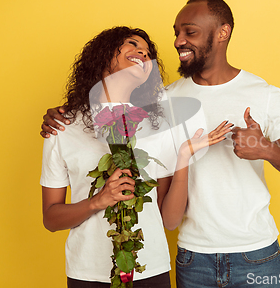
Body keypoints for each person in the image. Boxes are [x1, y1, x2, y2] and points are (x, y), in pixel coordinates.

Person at [42, 0, 280, 288]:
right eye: (176, 32)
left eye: (189, 32)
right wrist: (66, 114)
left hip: (256, 254)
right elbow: (109, 102)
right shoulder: (161, 102)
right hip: (192, 259)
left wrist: (267, 149)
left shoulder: (263, 95)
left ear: (222, 32)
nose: (178, 41)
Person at [40, 26, 232, 288]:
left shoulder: (157, 124)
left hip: (150, 270)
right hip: (87, 272)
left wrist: (184, 155)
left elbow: (170, 220)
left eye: (147, 52)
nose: (142, 52)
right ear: (103, 55)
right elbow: (51, 219)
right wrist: (98, 201)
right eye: (132, 44)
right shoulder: (63, 126)